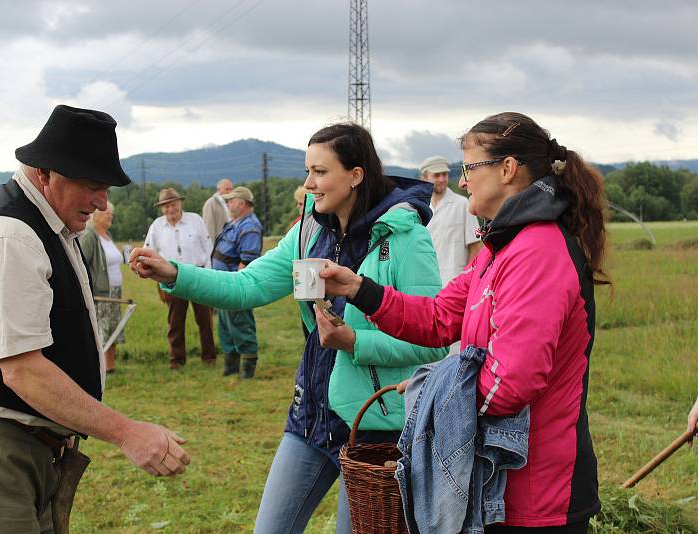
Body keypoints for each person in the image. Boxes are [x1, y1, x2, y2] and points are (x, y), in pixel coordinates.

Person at [129, 122, 447, 533]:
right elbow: (247, 286)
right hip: (309, 419)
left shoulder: (404, 238)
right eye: (306, 171)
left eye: (320, 171)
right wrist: (173, 272)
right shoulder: (308, 232)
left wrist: (355, 341)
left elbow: (434, 343)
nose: (310, 183)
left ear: (355, 175)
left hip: (372, 429)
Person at [320, 112, 608, 532]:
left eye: (470, 167)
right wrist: (358, 289)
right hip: (499, 483)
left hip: (535, 496)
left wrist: (428, 391)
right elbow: (438, 317)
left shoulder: (537, 252)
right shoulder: (500, 248)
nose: (462, 181)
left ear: (507, 169)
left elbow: (510, 384)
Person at [0, 105, 190, 533]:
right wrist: (127, 433)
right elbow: (24, 372)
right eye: (93, 185)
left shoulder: (50, 225)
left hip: (21, 446)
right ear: (45, 174)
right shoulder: (9, 237)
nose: (102, 201)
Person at [144, 188, 216, 370]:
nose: (170, 209)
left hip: (198, 275)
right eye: (166, 206)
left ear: (180, 203)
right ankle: (177, 360)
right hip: (171, 278)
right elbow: (148, 252)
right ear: (161, 208)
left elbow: (208, 247)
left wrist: (208, 274)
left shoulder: (195, 221)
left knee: (205, 320)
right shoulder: (157, 227)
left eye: (173, 204)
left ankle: (209, 357)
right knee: (175, 322)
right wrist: (158, 281)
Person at [209, 186, 264, 378]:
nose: (228, 203)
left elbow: (246, 261)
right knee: (225, 326)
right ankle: (231, 366)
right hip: (224, 285)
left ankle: (247, 368)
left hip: (234, 286)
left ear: (241, 203)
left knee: (240, 324)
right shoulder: (236, 222)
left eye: (231, 200)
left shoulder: (249, 227)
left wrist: (237, 287)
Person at [419, 155, 481, 285]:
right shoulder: (417, 209)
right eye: (436, 175)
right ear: (424, 178)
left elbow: (474, 248)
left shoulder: (463, 204)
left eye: (444, 174)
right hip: (426, 285)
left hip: (454, 285)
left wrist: (466, 283)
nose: (441, 179)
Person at [79, 201, 124, 374]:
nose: (110, 215)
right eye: (106, 212)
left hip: (114, 291)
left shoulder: (107, 235)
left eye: (111, 213)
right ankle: (98, 367)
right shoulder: (90, 235)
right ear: (95, 215)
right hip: (101, 293)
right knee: (102, 329)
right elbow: (81, 263)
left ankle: (110, 367)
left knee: (113, 328)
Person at [202, 178, 233, 246]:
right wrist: (211, 250)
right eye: (227, 189)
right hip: (217, 248)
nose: (230, 192)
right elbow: (208, 228)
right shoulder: (210, 203)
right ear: (218, 190)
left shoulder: (230, 203)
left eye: (231, 189)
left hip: (229, 246)